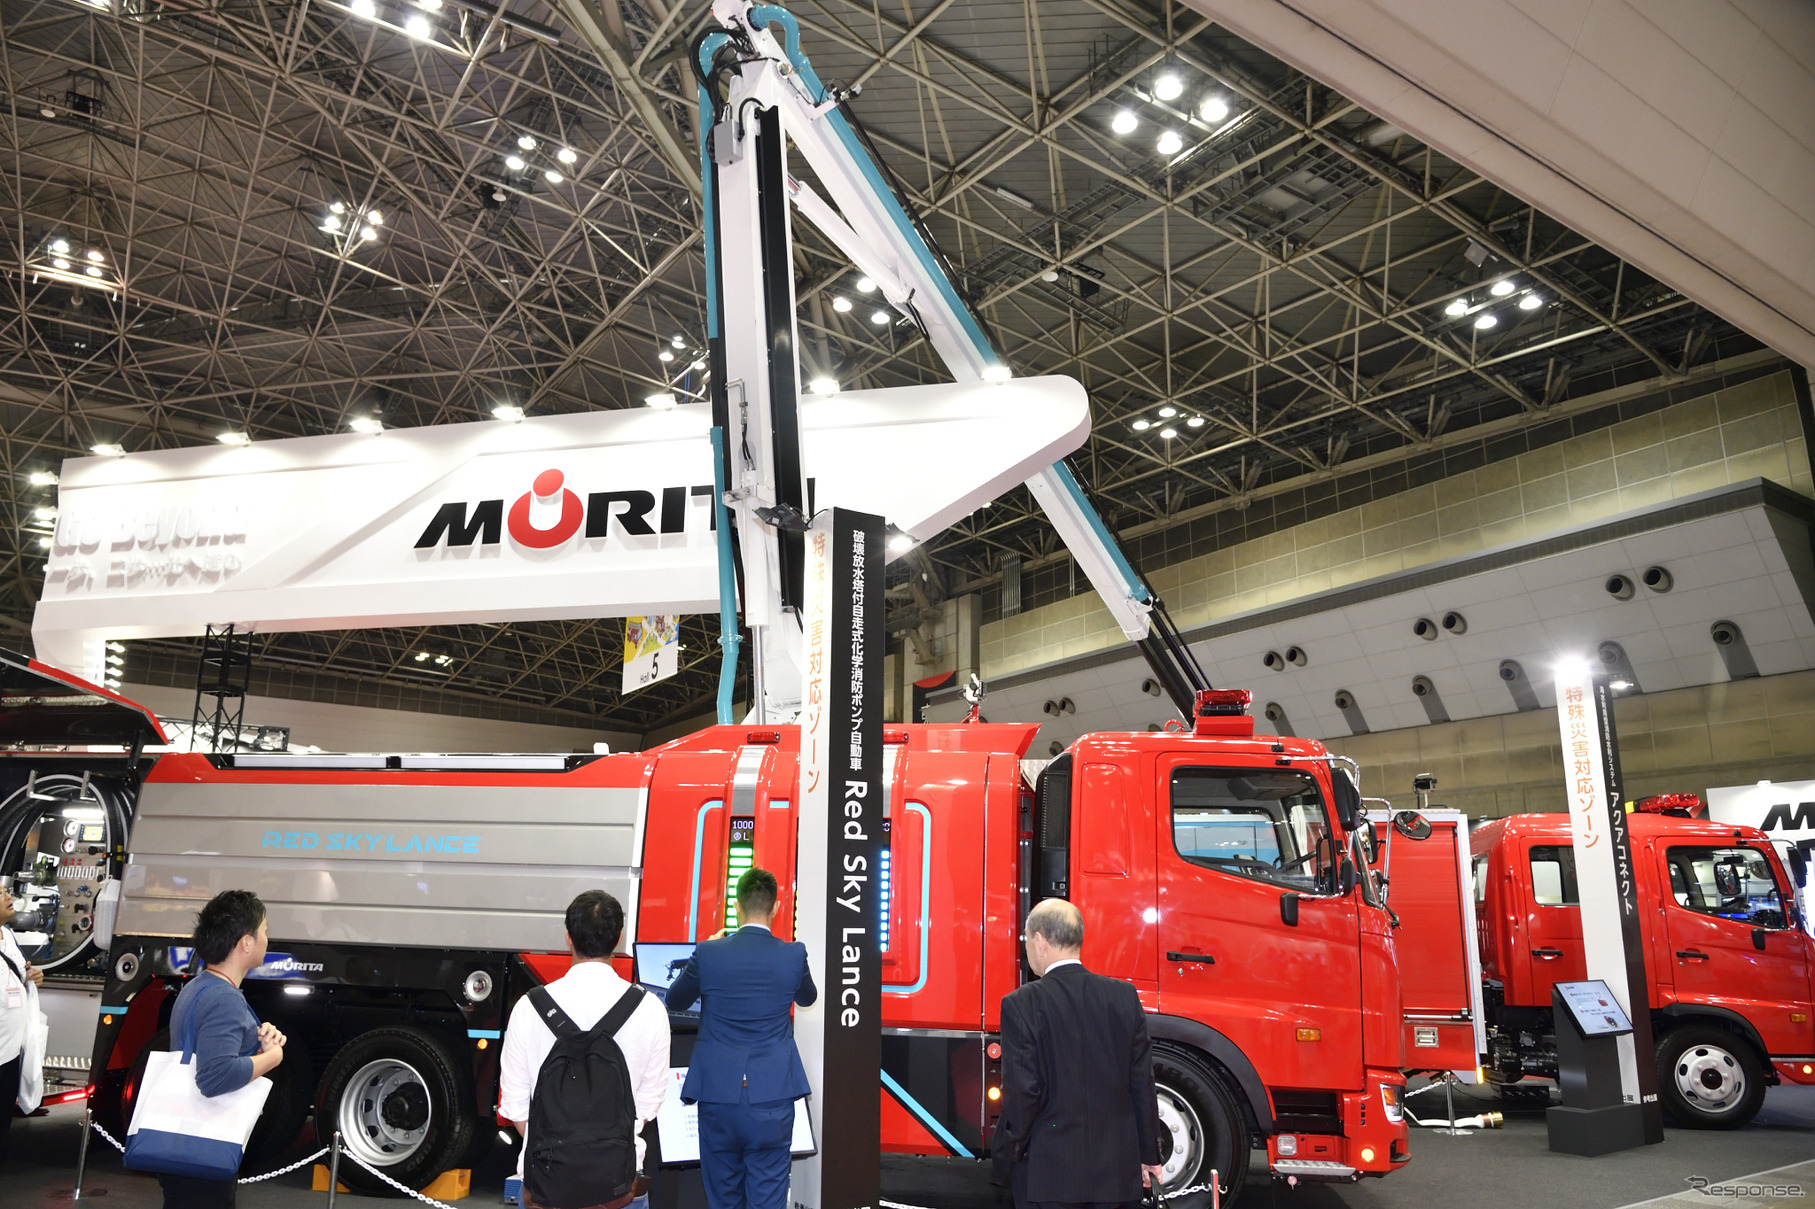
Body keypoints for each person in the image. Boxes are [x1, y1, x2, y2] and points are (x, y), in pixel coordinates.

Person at [500, 890, 670, 1209]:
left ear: (568, 938)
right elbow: (647, 1106)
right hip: (619, 1186)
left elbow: (516, 1108)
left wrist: (561, 1153)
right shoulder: (649, 1009)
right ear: (617, 940)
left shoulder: (528, 1008)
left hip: (544, 1185)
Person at [993, 899, 1163, 1209]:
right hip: (1117, 1174)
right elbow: (1142, 1083)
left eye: (1027, 940)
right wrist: (1149, 1155)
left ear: (1040, 940)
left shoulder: (1021, 1003)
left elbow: (1023, 1092)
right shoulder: (1123, 997)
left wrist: (1010, 1153)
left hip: (1049, 1175)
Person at [664, 868, 816, 1209]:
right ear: (776, 908)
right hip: (772, 1096)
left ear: (736, 906)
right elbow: (808, 998)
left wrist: (709, 951)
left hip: (718, 1095)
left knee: (723, 1197)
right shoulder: (793, 954)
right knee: (768, 1195)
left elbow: (674, 1000)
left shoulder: (708, 952)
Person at [159, 889, 287, 1209]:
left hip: (181, 1144)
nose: (267, 939)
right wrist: (272, 1057)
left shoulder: (199, 986)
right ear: (246, 942)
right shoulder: (225, 997)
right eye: (265, 931)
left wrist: (257, 1044)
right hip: (204, 1149)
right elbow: (215, 1076)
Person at [1, 881, 46, 1168]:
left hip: (9, 1052)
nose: (8, 897)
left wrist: (34, 975)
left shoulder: (7, 936)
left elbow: (20, 973)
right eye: (0, 895)